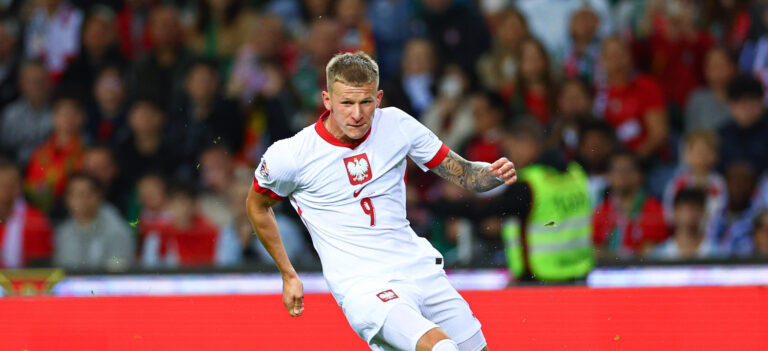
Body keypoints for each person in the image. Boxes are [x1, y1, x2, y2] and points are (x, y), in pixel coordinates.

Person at [246, 52, 516, 351]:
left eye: (366, 102)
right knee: (442, 349)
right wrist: (288, 273)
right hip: (364, 286)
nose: (357, 114)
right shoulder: (292, 155)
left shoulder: (398, 124)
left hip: (418, 269)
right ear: (327, 100)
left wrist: (492, 175)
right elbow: (257, 205)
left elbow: (465, 173)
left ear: (379, 98)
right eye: (346, 103)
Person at [481, 119, 595, 282]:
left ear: (526, 144)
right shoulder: (576, 172)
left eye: (508, 148)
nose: (506, 156)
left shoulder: (528, 184)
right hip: (579, 274)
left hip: (539, 280)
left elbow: (486, 212)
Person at [592, 151, 668, 259]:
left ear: (639, 175)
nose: (622, 175)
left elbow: (649, 250)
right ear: (609, 176)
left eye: (627, 170)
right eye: (616, 170)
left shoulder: (654, 209)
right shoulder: (602, 211)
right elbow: (595, 248)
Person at [54, 173, 134, 271]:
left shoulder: (117, 230)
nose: (80, 200)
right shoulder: (63, 232)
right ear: (67, 199)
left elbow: (119, 270)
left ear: (98, 196)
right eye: (74, 195)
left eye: (85, 194)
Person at [0, 159, 52, 268]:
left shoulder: (37, 220)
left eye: (11, 184)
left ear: (20, 186)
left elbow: (41, 264)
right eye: (2, 184)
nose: (6, 190)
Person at [0, 60, 52, 165]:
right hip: (16, 169)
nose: (36, 86)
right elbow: (4, 148)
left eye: (40, 81)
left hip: (50, 169)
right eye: (31, 82)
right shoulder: (11, 114)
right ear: (22, 84)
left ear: (48, 83)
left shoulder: (58, 112)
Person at [717, 74, 768, 175]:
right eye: (742, 103)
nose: (748, 108)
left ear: (762, 103)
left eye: (753, 102)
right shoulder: (722, 135)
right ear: (730, 105)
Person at [651, 188, 721, 260]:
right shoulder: (659, 254)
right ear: (675, 211)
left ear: (703, 212)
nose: (691, 213)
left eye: (696, 208)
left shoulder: (718, 253)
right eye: (686, 209)